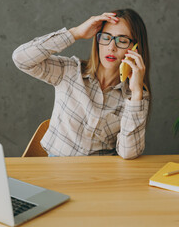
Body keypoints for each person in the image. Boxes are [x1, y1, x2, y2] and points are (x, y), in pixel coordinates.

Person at [12, 9, 150, 159]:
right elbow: (20, 58)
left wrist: (136, 94)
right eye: (105, 37)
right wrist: (75, 33)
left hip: (100, 174)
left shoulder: (136, 96)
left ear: (135, 49)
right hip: (56, 169)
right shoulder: (69, 71)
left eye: (122, 41)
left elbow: (128, 153)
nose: (111, 47)